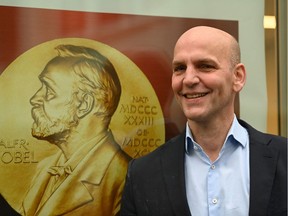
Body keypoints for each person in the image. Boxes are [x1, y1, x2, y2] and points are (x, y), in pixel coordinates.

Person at [120, 26, 287, 216]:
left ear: (238, 77)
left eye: (205, 66)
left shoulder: (284, 159)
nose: (189, 79)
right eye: (180, 68)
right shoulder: (142, 175)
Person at [20, 44, 131, 216]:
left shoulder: (123, 178)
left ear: (84, 105)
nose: (34, 99)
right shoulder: (45, 168)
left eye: (48, 90)